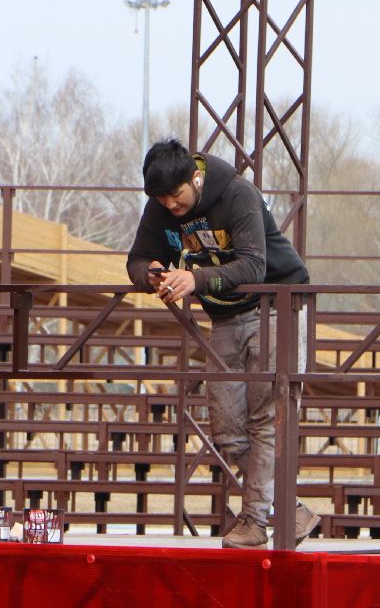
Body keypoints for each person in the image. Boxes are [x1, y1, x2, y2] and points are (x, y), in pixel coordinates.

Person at [125, 137, 322, 549]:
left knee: (266, 417)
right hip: (226, 313)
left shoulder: (237, 193)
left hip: (277, 304)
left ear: (195, 179)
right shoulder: (160, 208)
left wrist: (194, 279)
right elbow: (138, 258)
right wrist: (153, 274)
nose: (171, 206)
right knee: (227, 427)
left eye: (176, 196)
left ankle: (254, 521)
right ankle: (291, 510)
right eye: (162, 199)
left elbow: (254, 262)